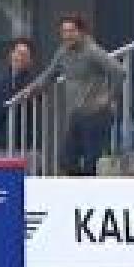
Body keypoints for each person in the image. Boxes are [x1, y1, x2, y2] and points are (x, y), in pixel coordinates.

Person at [17, 13, 126, 176]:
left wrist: (108, 98)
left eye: (71, 31)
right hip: (76, 114)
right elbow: (49, 74)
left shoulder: (92, 51)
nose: (67, 35)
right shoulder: (63, 52)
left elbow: (119, 71)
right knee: (66, 160)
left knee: (91, 162)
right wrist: (30, 89)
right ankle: (80, 187)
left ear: (81, 32)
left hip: (96, 114)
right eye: (64, 31)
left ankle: (88, 190)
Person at [0, 38, 36, 153]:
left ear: (30, 60)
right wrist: (6, 106)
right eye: (17, 53)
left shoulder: (34, 83)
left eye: (24, 55)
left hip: (26, 146)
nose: (20, 58)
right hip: (2, 144)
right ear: (11, 55)